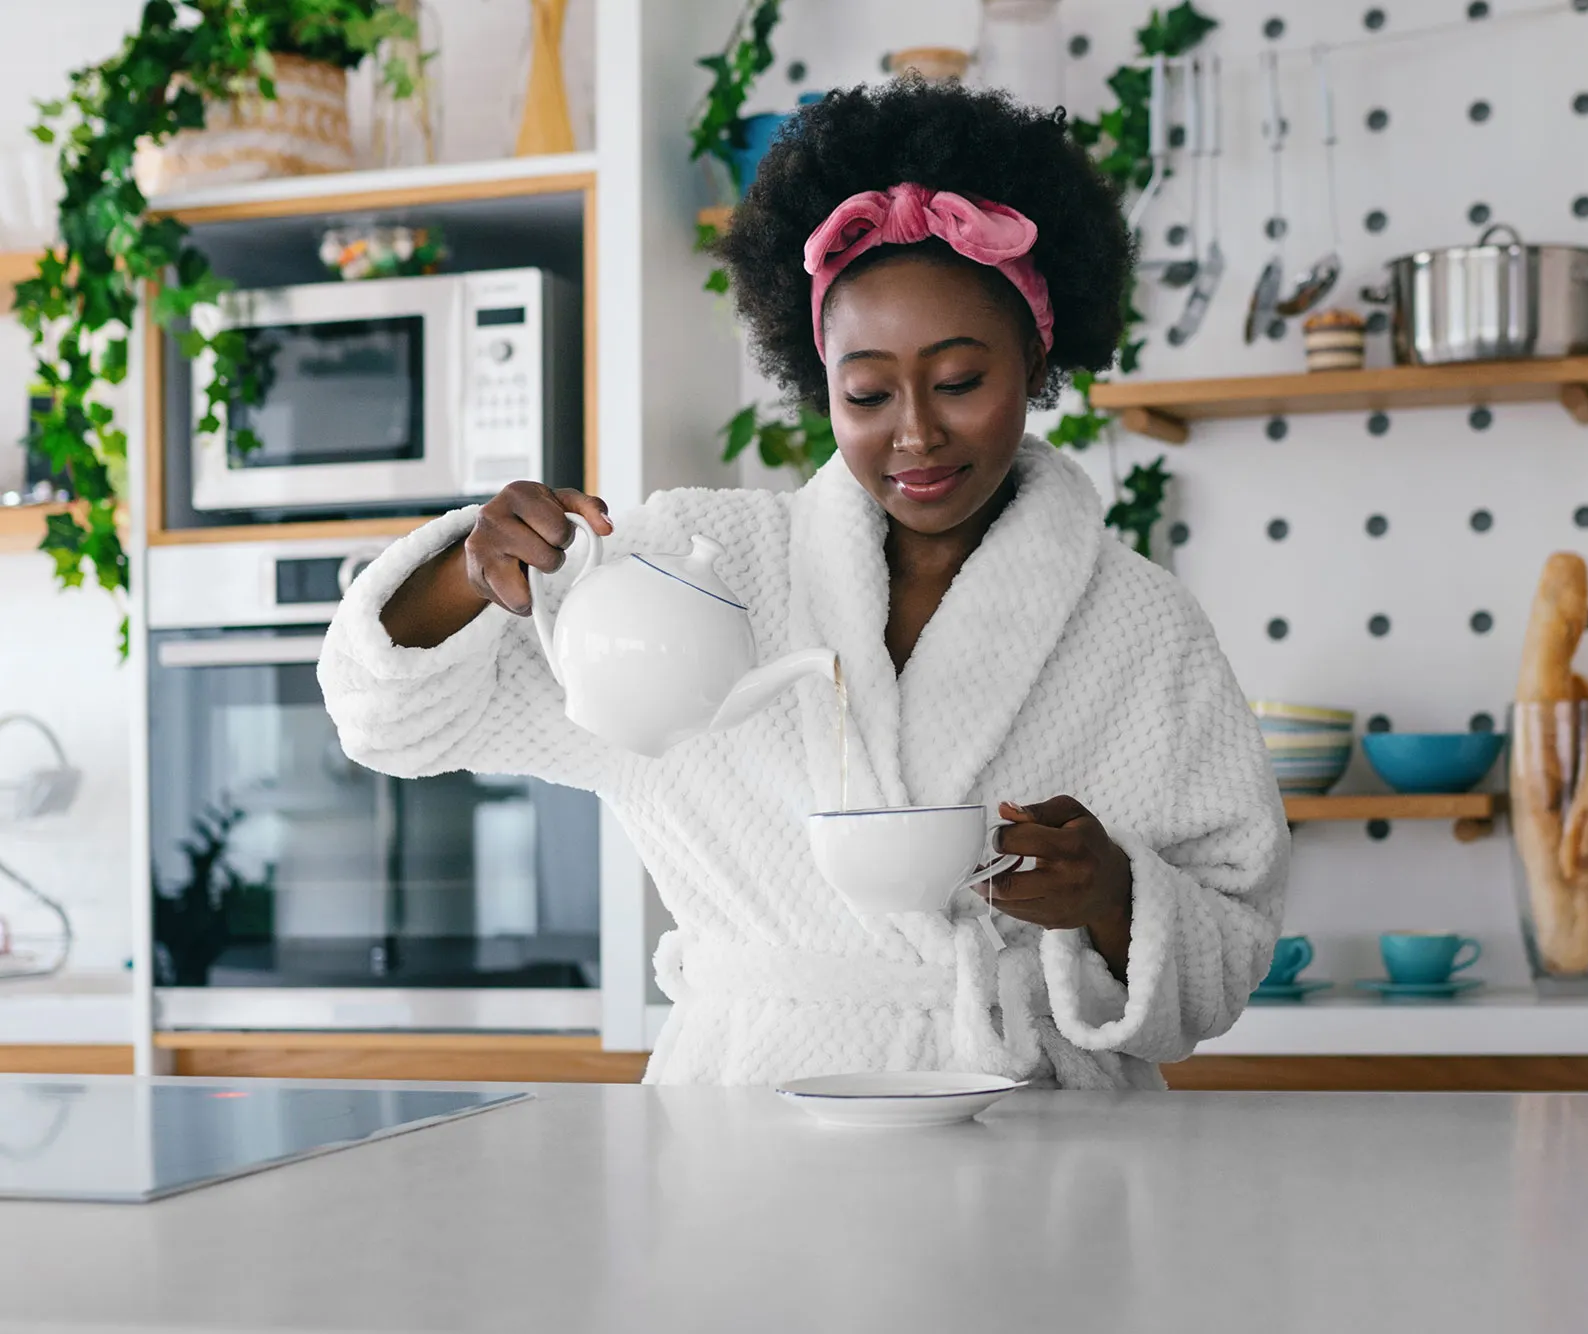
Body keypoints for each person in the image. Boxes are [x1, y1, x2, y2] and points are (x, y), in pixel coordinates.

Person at [319, 79, 1288, 1088]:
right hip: (748, 1119)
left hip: (1033, 1129)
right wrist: (470, 572)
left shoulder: (1142, 627)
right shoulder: (686, 568)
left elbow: (1228, 944)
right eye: (865, 392)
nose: (912, 431)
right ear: (816, 377)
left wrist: (1112, 894)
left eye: (959, 381)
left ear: (1037, 357)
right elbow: (391, 724)